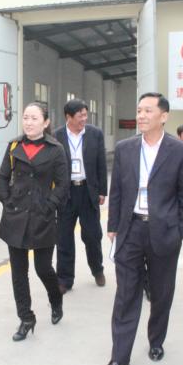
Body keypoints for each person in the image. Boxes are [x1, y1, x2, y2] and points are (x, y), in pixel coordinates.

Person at [102, 92, 183, 365]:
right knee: (126, 294)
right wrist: (113, 225)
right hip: (130, 229)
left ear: (163, 116)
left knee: (161, 292)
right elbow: (117, 190)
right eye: (139, 110)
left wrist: (180, 230)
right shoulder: (125, 148)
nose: (141, 116)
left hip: (164, 231)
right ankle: (119, 356)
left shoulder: (181, 152)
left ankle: (156, 341)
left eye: (148, 111)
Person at [0, 102, 69, 341]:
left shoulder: (55, 149)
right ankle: (26, 318)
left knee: (43, 268)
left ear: (45, 122)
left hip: (42, 216)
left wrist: (50, 205)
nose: (28, 122)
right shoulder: (14, 146)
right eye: (26, 117)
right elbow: (3, 176)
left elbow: (63, 184)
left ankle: (56, 299)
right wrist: (6, 201)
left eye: (34, 118)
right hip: (15, 216)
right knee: (18, 272)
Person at [54, 99, 108, 294]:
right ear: (68, 117)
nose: (84, 119)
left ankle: (97, 270)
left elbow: (101, 163)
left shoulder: (95, 134)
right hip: (66, 193)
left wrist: (102, 190)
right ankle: (64, 280)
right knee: (64, 238)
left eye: (86, 115)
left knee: (92, 236)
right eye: (80, 116)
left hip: (88, 191)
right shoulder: (57, 136)